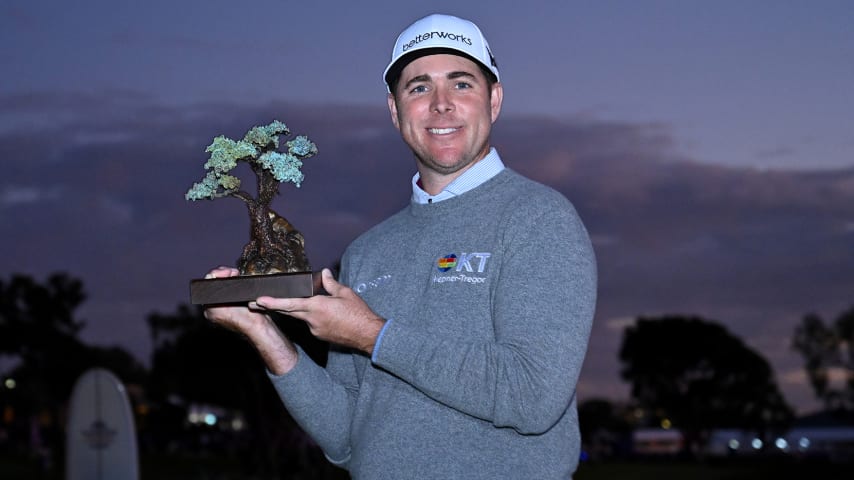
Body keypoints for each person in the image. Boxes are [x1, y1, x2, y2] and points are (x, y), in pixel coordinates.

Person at [204, 13, 597, 479]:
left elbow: (533, 397)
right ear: (394, 110)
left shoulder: (539, 219)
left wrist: (374, 335)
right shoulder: (368, 252)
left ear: (494, 100)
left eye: (462, 84)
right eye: (418, 88)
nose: (441, 104)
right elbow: (347, 437)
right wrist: (265, 335)